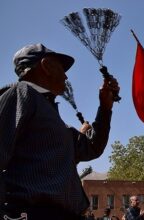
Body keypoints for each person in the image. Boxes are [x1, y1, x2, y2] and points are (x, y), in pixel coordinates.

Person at [0, 43, 119, 219]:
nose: (65, 75)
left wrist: (105, 107)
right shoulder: (21, 93)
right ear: (46, 65)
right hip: (32, 213)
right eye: (61, 67)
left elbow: (92, 147)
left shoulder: (54, 118)